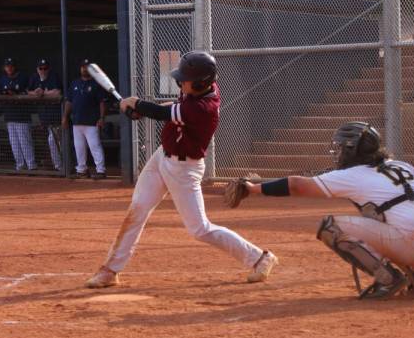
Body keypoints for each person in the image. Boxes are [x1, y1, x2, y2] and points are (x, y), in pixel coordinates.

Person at [85, 51, 278, 288]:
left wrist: (137, 105)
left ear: (200, 82)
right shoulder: (198, 89)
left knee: (199, 229)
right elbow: (173, 107)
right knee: (137, 209)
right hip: (161, 157)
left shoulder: (205, 107)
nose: (180, 82)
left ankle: (260, 258)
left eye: (185, 79)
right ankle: (110, 270)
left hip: (184, 169)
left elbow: (166, 114)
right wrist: (139, 108)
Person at [232, 122, 414, 300]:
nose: (338, 151)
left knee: (331, 227)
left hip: (411, 243)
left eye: (342, 147)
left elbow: (297, 185)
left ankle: (387, 278)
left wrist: (252, 189)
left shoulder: (354, 174)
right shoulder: (401, 166)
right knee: (383, 217)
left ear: (353, 150)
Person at [62, 59, 107, 179]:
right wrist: (65, 117)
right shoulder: (75, 83)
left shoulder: (96, 84)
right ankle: (82, 170)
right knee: (79, 147)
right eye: (83, 67)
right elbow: (69, 101)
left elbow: (102, 103)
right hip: (77, 121)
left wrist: (102, 118)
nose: (84, 69)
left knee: (94, 146)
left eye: (87, 67)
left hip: (92, 121)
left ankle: (101, 170)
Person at [0, 58, 36, 171]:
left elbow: (30, 91)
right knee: (14, 143)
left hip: (22, 115)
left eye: (11, 66)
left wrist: (16, 94)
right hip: (9, 115)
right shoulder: (3, 79)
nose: (9, 68)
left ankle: (31, 166)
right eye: (7, 66)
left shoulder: (23, 77)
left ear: (15, 67)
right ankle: (20, 165)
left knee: (25, 142)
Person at [28, 58, 62, 171]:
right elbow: (28, 91)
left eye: (45, 68)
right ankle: (59, 165)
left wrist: (44, 93)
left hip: (57, 117)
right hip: (44, 117)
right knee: (52, 141)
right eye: (40, 68)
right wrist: (36, 92)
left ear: (49, 69)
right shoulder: (34, 77)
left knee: (56, 141)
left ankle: (63, 166)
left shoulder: (54, 77)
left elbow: (58, 91)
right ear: (37, 69)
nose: (43, 70)